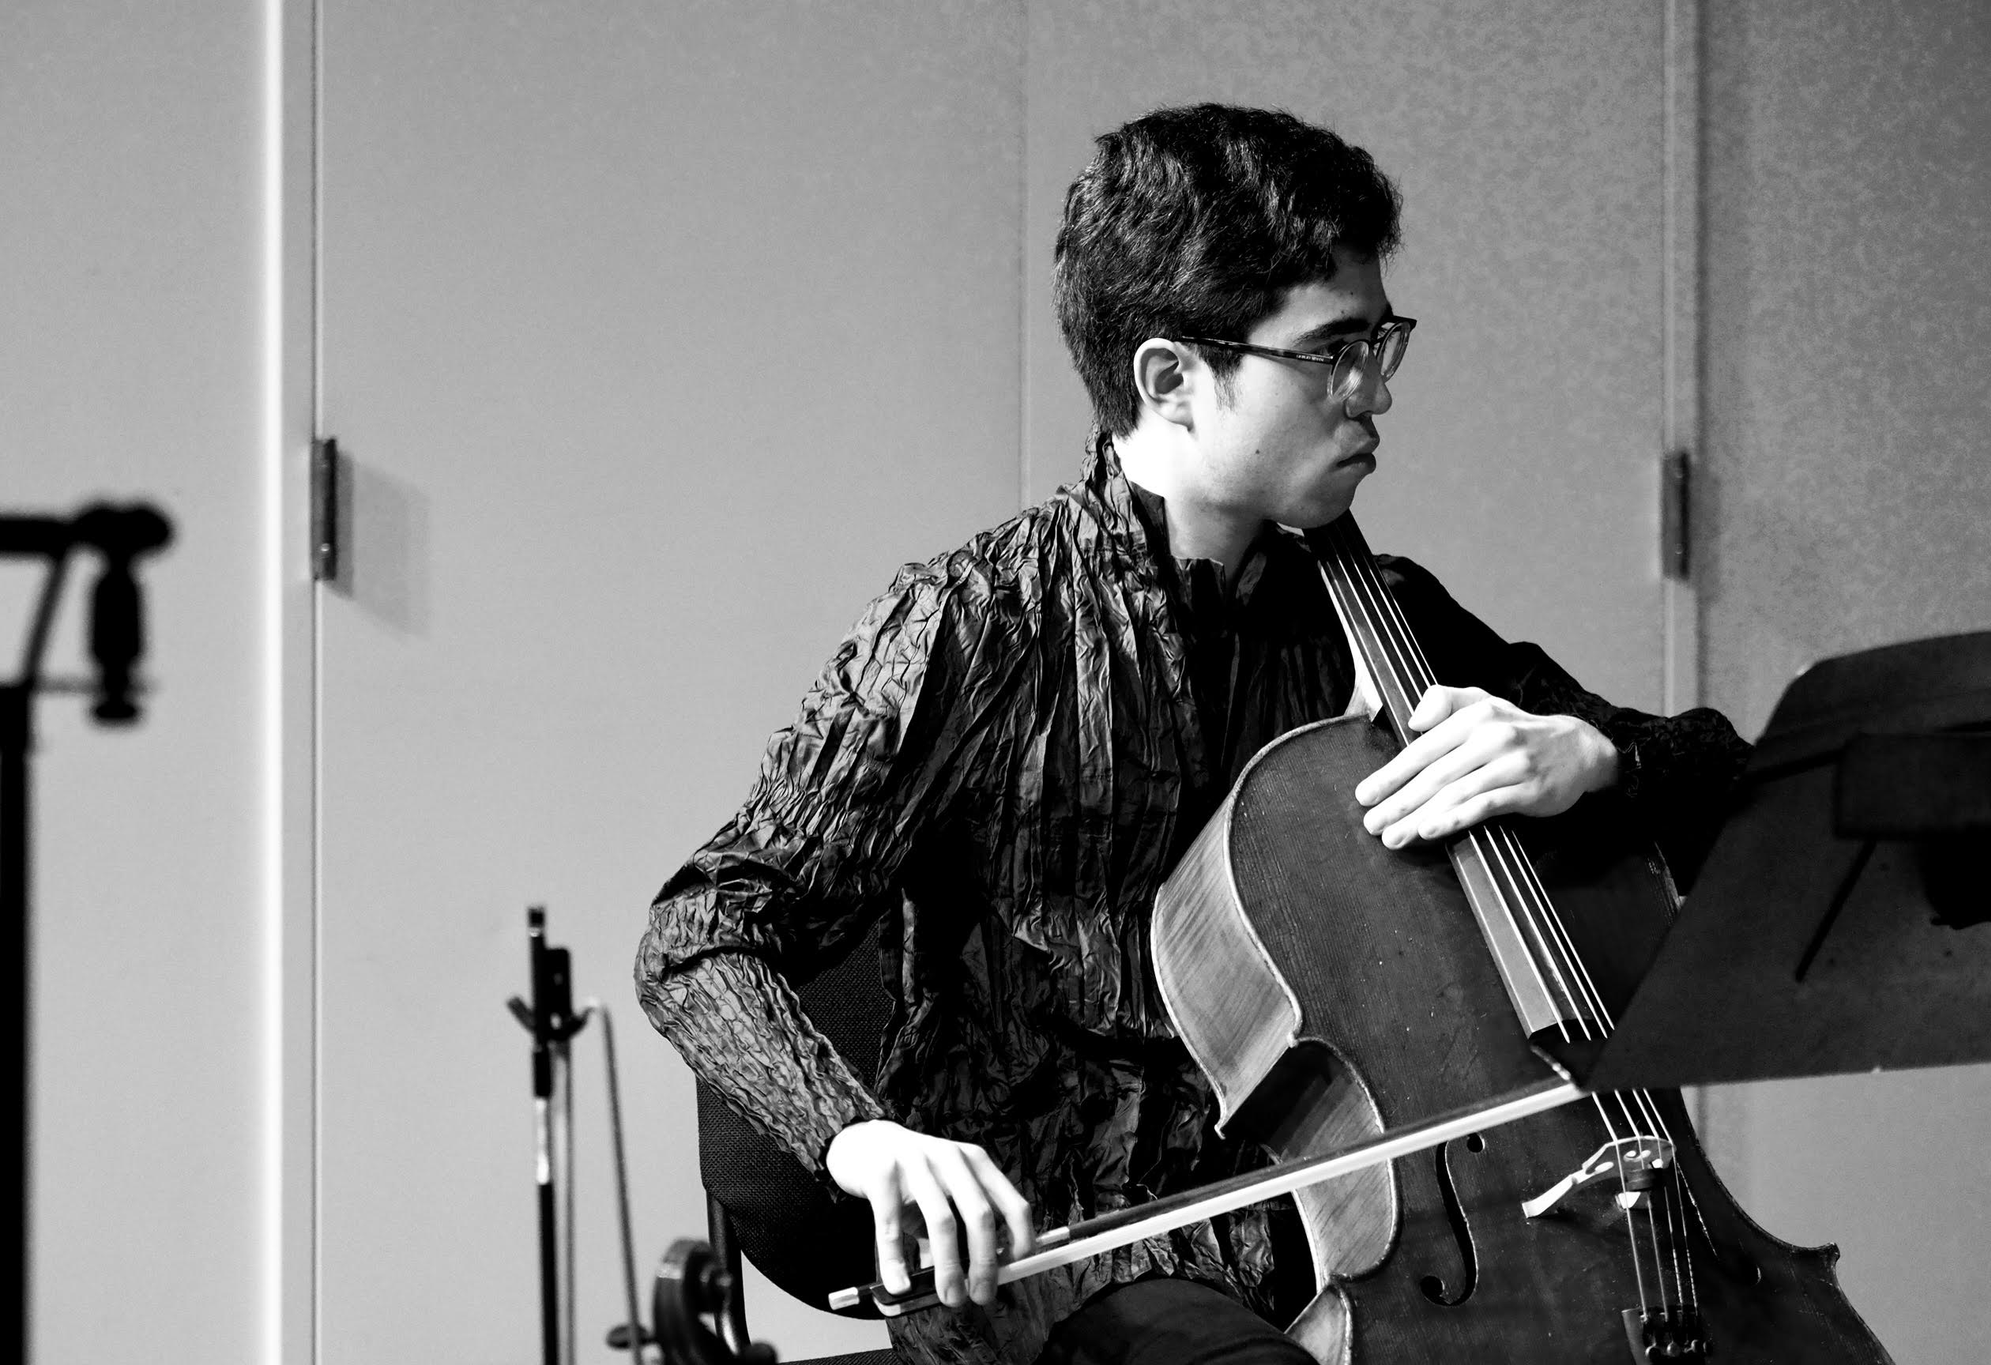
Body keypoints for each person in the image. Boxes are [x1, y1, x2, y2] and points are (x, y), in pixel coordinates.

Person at [636, 103, 1749, 1365]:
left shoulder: (1381, 615)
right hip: (1066, 1279)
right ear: (1171, 377)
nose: (1372, 393)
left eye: (1380, 344)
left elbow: (1729, 779)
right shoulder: (979, 624)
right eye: (1332, 351)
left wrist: (1593, 760)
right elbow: (702, 928)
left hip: (1356, 1262)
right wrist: (862, 1136)